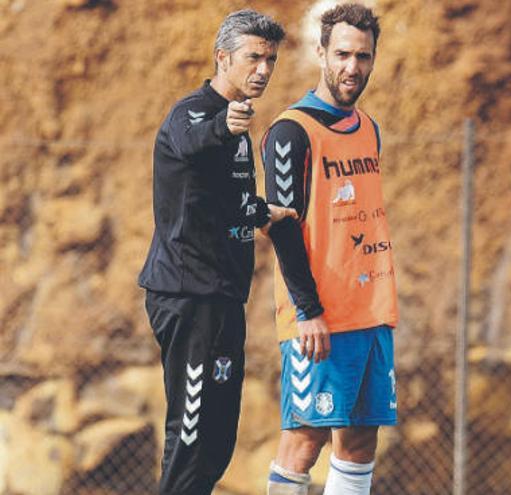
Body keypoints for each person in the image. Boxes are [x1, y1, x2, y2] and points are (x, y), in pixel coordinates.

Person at [138, 10, 294, 494]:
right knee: (190, 435)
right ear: (223, 58)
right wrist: (224, 125)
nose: (263, 70)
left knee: (217, 439)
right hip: (188, 297)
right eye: (253, 58)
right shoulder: (195, 112)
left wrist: (265, 212)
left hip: (225, 297)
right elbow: (188, 142)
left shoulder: (239, 131)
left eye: (270, 60)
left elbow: (228, 200)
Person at [260, 4, 398, 494]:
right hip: (318, 317)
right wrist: (308, 310)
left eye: (363, 56)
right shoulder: (290, 131)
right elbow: (282, 228)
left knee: (360, 440)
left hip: (371, 311)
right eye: (341, 54)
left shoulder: (369, 128)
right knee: (304, 438)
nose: (352, 68)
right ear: (320, 52)